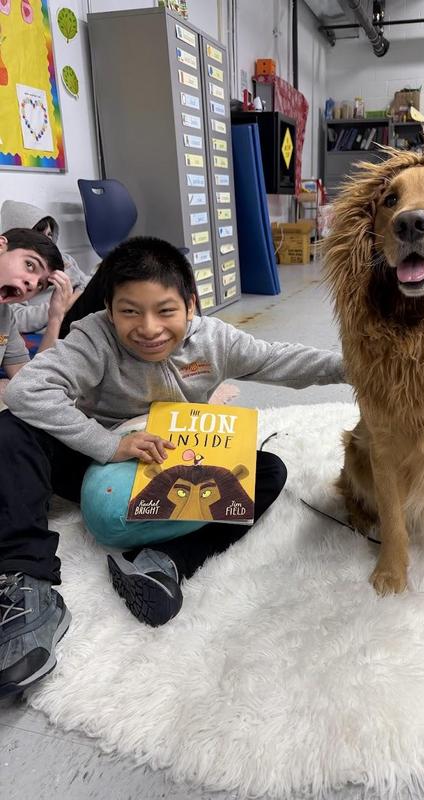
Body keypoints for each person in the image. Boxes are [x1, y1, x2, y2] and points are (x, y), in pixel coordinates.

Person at [0, 236, 345, 697]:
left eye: (165, 311)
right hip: (98, 455)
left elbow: (281, 360)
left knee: (268, 472)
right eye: (129, 311)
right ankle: (27, 584)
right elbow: (27, 391)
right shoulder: (92, 337)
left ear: (190, 304)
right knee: (12, 429)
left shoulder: (214, 339)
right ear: (109, 309)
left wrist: (358, 367)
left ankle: (165, 564)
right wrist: (107, 444)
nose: (148, 328)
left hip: (177, 460)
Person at [0, 200, 89, 334]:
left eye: (49, 235)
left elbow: (84, 281)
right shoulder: (15, 287)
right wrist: (64, 305)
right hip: (65, 319)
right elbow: (18, 319)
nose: (46, 241)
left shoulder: (65, 259)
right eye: (38, 234)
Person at [0, 228, 73, 379]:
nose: (32, 284)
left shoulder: (5, 317)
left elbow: (29, 381)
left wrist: (55, 317)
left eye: (40, 285)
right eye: (30, 265)